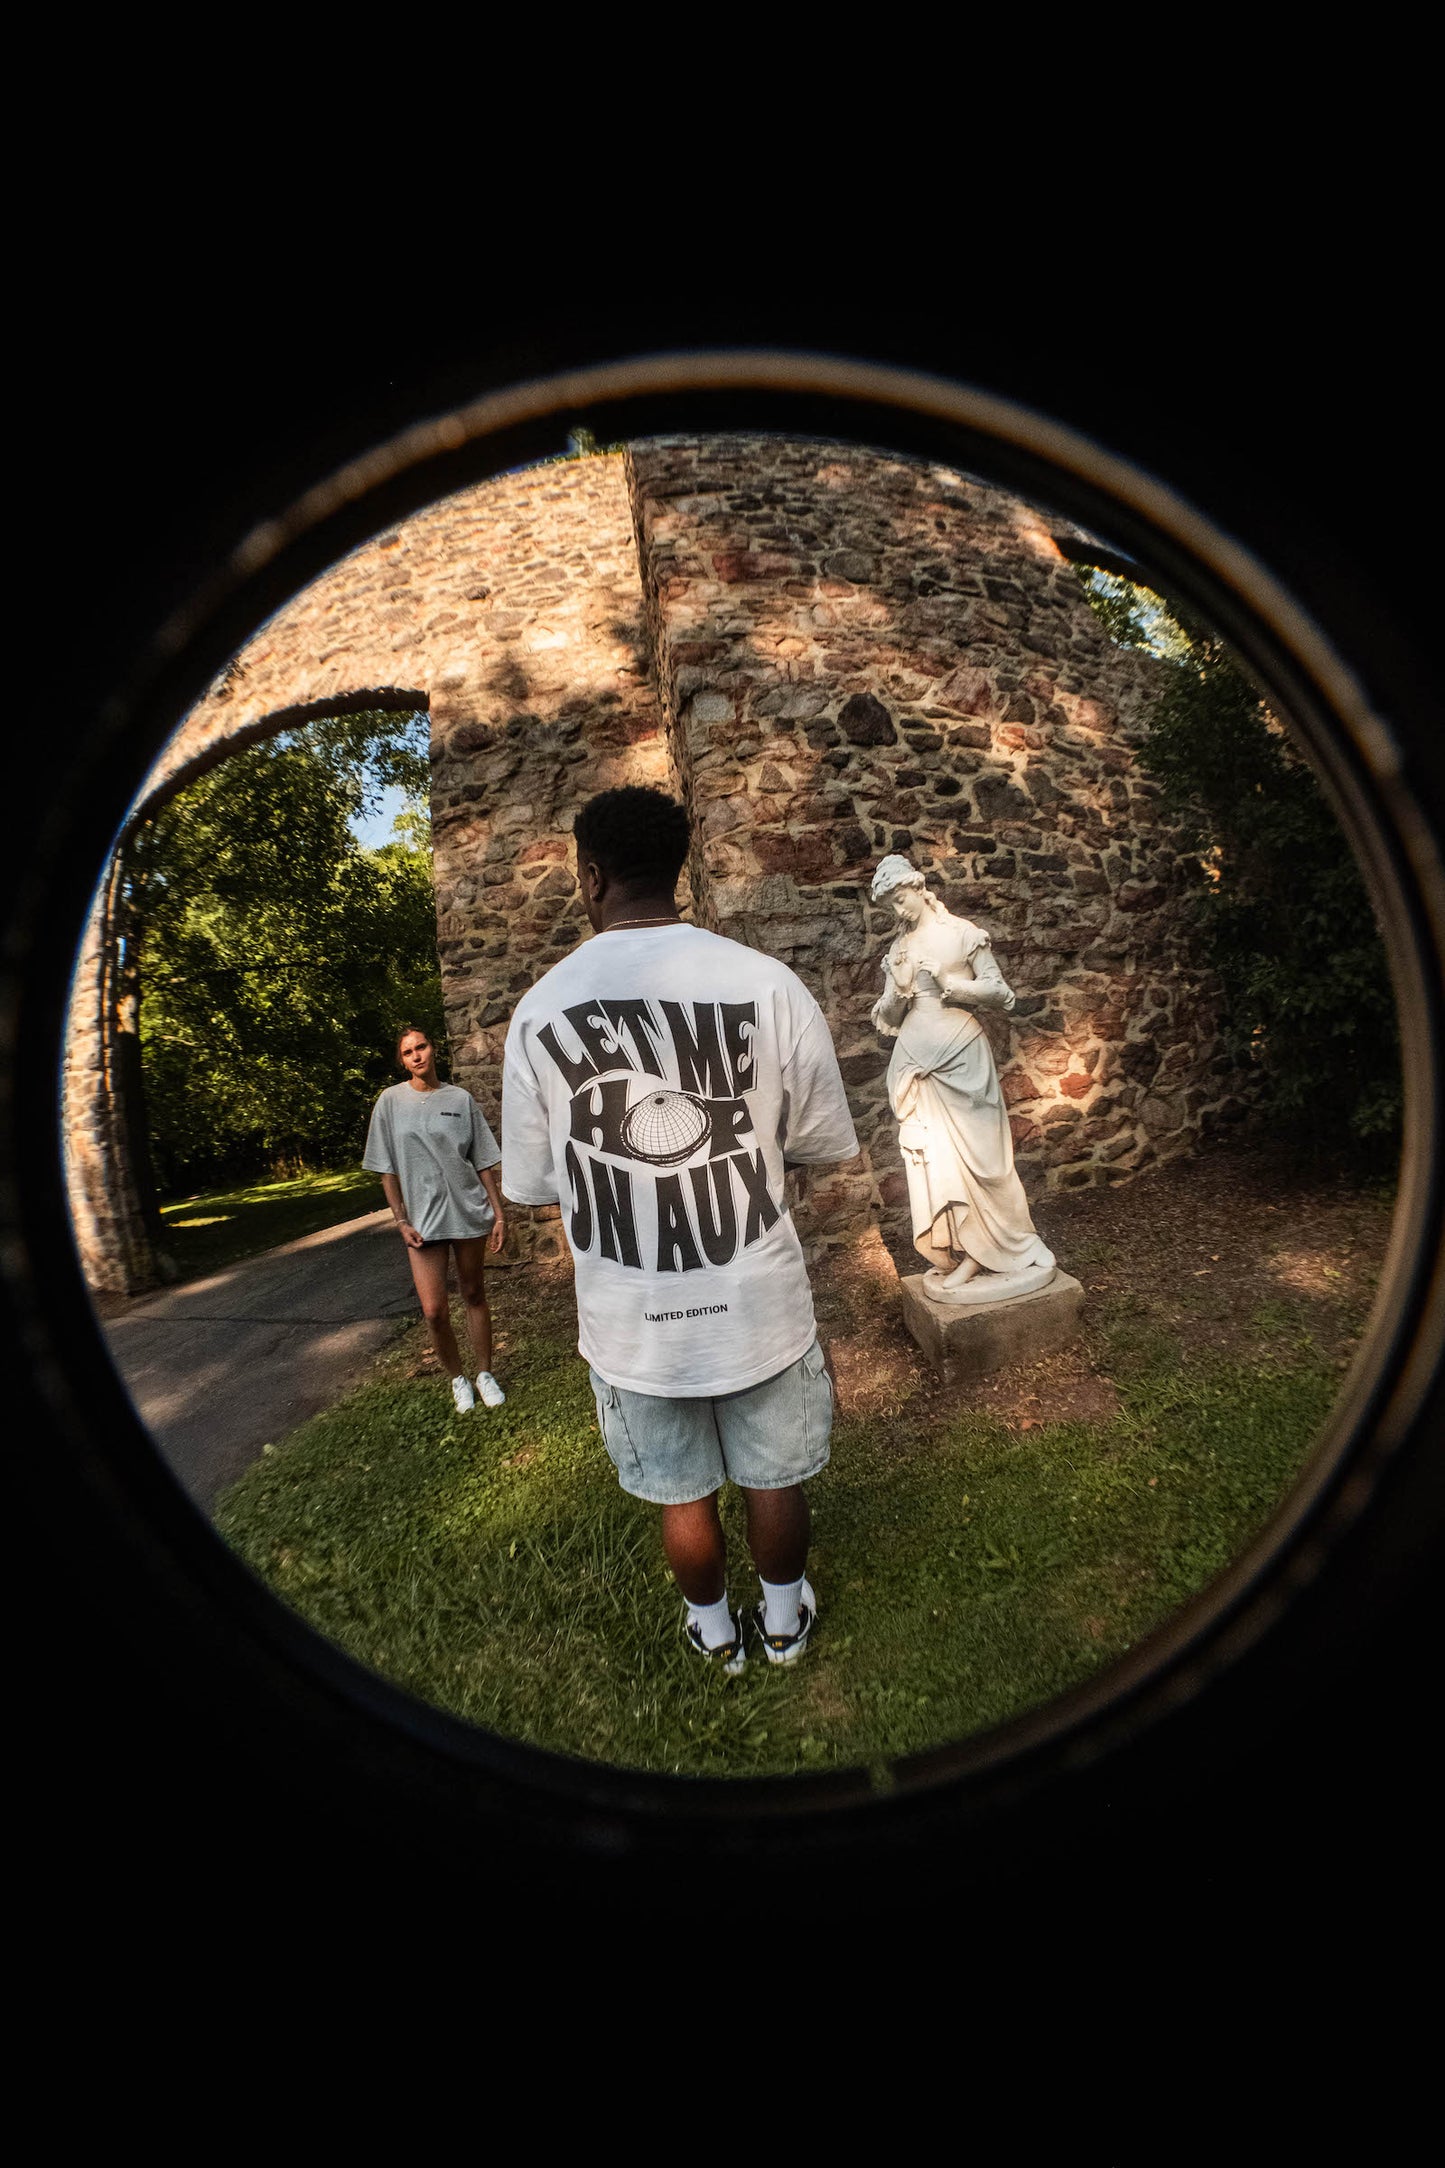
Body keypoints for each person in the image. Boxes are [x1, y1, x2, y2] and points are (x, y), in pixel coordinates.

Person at [501, 787, 858, 1671]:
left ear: (589, 876)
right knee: (774, 1478)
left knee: (680, 1493)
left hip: (631, 1317)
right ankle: (782, 1623)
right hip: (756, 1296)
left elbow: (538, 1185)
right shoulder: (768, 984)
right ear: (681, 868)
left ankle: (713, 1631)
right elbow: (816, 1143)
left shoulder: (539, 1011)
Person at [870, 853, 1055, 1298]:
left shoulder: (963, 935)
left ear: (918, 887)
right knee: (936, 1162)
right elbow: (889, 1016)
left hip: (961, 1055)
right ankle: (966, 1253)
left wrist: (951, 983)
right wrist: (897, 987)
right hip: (916, 1060)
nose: (898, 912)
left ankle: (1015, 1243)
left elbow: (1002, 994)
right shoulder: (899, 949)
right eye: (889, 906)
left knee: (986, 1158)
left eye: (900, 899)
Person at [363, 1026, 508, 1414]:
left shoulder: (460, 1099)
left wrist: (498, 1213)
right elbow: (385, 1169)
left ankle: (484, 1374)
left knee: (474, 1294)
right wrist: (400, 1221)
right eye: (408, 1051)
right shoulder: (390, 1102)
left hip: (468, 1212)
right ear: (402, 1060)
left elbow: (482, 1160)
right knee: (434, 1310)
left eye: (421, 1046)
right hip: (423, 1222)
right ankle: (458, 1379)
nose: (416, 1055)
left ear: (433, 1049)